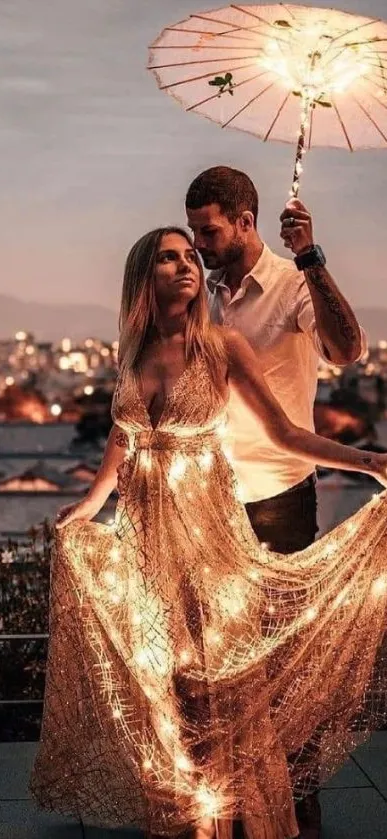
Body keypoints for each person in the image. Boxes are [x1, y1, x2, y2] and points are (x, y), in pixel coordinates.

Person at [30, 228, 387, 839]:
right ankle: (195, 821)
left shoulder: (223, 347)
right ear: (145, 275)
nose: (186, 264)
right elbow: (126, 433)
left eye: (190, 255)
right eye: (169, 257)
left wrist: (371, 463)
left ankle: (244, 824)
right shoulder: (132, 351)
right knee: (165, 689)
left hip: (209, 540)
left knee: (221, 689)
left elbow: (285, 434)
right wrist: (92, 499)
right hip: (148, 542)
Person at [185, 167, 367, 837]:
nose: (200, 243)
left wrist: (310, 257)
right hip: (209, 503)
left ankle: (298, 810)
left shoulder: (291, 284)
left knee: (284, 666)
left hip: (279, 499)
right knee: (217, 669)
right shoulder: (203, 294)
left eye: (209, 230)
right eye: (195, 232)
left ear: (243, 220)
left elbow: (346, 350)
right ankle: (237, 806)